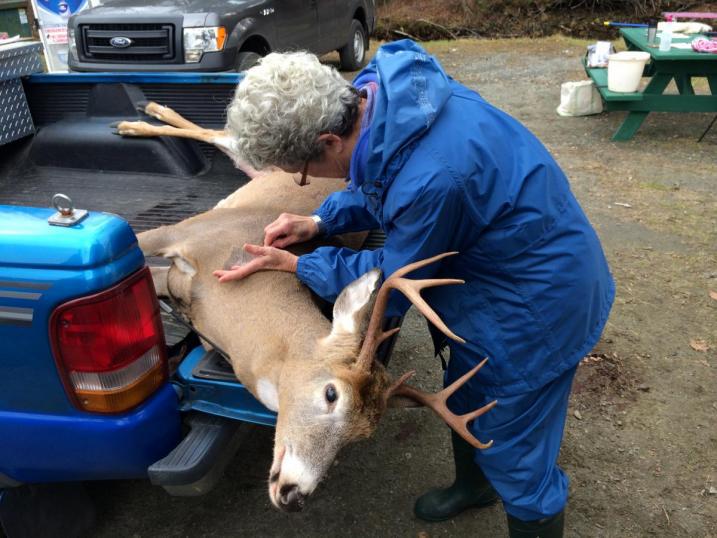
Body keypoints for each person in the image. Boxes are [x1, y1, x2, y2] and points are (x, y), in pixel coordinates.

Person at [214, 41, 614, 537]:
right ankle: (475, 486)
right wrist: (320, 220)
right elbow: (379, 181)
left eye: (300, 172)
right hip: (488, 282)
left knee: (516, 448)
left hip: (533, 308)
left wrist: (301, 266)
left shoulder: (434, 176)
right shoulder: (381, 105)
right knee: (467, 396)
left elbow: (395, 276)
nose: (301, 181)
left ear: (328, 141)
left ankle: (522, 502)